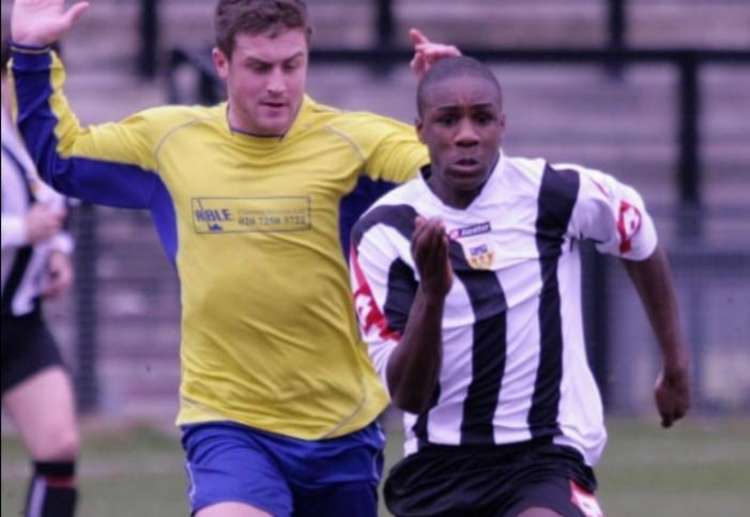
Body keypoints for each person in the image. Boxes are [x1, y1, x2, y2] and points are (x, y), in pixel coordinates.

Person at [9, 0, 460, 515]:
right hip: (227, 421)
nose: (278, 85)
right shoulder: (171, 141)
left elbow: (452, 181)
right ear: (221, 64)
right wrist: (31, 51)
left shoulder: (353, 144)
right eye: (259, 67)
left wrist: (447, 112)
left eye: (292, 65)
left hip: (342, 429)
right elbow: (61, 159)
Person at [349, 56, 691, 517]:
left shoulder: (557, 193)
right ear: (420, 131)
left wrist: (675, 364)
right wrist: (432, 290)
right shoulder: (384, 231)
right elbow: (408, 395)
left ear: (502, 126)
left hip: (545, 453)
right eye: (448, 120)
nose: (467, 134)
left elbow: (638, 236)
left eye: (482, 118)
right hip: (438, 467)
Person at [1, 42, 79, 517]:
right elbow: (24, 220)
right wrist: (19, 232)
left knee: (59, 447)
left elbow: (52, 202)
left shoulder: (36, 131)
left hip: (19, 322)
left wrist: (56, 253)